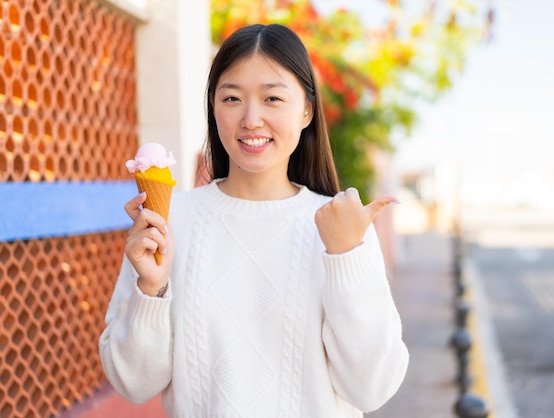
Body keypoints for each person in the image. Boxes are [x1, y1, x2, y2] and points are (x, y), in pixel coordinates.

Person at [99, 23, 409, 417]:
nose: (251, 119)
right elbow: (134, 384)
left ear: (307, 111)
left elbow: (371, 388)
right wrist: (151, 288)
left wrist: (345, 257)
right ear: (213, 107)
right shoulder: (168, 221)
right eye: (231, 98)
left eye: (273, 98)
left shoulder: (340, 228)